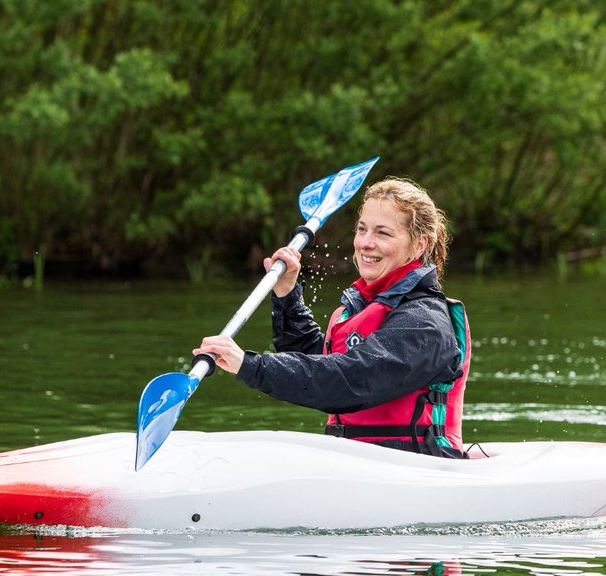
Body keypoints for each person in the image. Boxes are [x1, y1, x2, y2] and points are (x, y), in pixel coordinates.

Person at [193, 178, 471, 458]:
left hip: (415, 467)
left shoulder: (424, 322)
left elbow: (349, 380)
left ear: (419, 245)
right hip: (358, 460)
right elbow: (318, 361)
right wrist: (287, 295)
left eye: (383, 233)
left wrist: (250, 365)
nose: (365, 243)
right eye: (362, 229)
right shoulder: (363, 306)